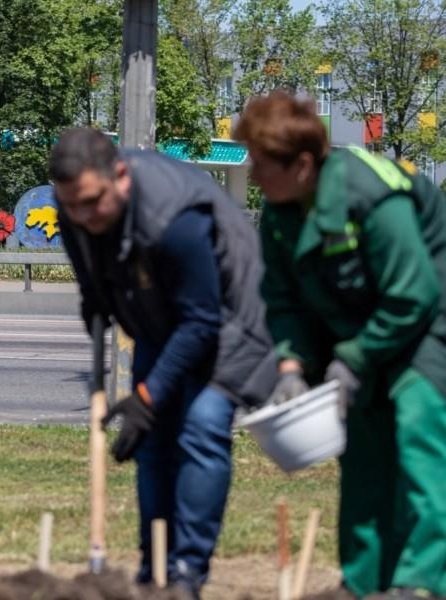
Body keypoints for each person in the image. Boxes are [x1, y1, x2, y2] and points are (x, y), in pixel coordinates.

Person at [233, 90, 446, 599]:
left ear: (303, 164)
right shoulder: (283, 215)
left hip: (427, 323)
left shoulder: (367, 193)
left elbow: (412, 293)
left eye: (261, 164)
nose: (254, 175)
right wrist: (289, 366)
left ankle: (419, 584)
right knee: (365, 458)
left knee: (417, 441)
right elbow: (281, 299)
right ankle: (364, 582)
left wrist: (351, 360)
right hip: (362, 334)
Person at [48, 128, 277, 598]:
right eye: (71, 206)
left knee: (201, 428)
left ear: (121, 178)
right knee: (151, 440)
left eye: (92, 203)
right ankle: (154, 569)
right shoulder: (75, 210)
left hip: (231, 318)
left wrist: (146, 396)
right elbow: (94, 282)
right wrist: (94, 302)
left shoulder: (175, 219)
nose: (82, 216)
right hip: (161, 317)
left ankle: (187, 573)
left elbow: (202, 322)